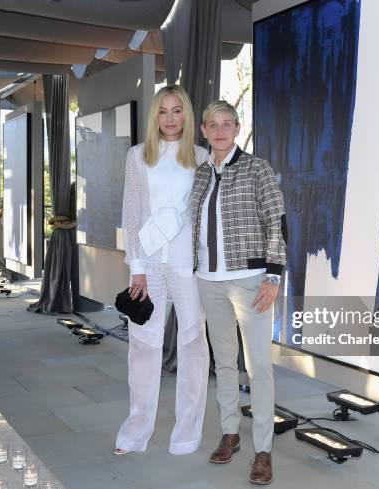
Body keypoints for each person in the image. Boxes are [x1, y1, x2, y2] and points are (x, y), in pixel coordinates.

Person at [189, 100, 287, 485]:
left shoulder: (256, 168)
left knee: (259, 366)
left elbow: (276, 219)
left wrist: (273, 276)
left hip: (251, 280)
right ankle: (230, 432)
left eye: (226, 124)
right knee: (225, 363)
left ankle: (263, 450)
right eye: (212, 125)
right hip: (208, 281)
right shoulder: (199, 175)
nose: (219, 131)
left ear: (237, 127)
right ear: (203, 130)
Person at [114, 85, 210, 456]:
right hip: (148, 266)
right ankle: (134, 434)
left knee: (192, 347)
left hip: (188, 265)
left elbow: (199, 211)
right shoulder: (137, 157)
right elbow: (132, 212)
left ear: (186, 115)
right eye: (163, 112)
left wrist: (173, 222)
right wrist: (136, 266)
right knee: (142, 347)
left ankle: (187, 434)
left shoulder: (201, 157)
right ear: (154, 116)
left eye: (177, 111)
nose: (170, 119)